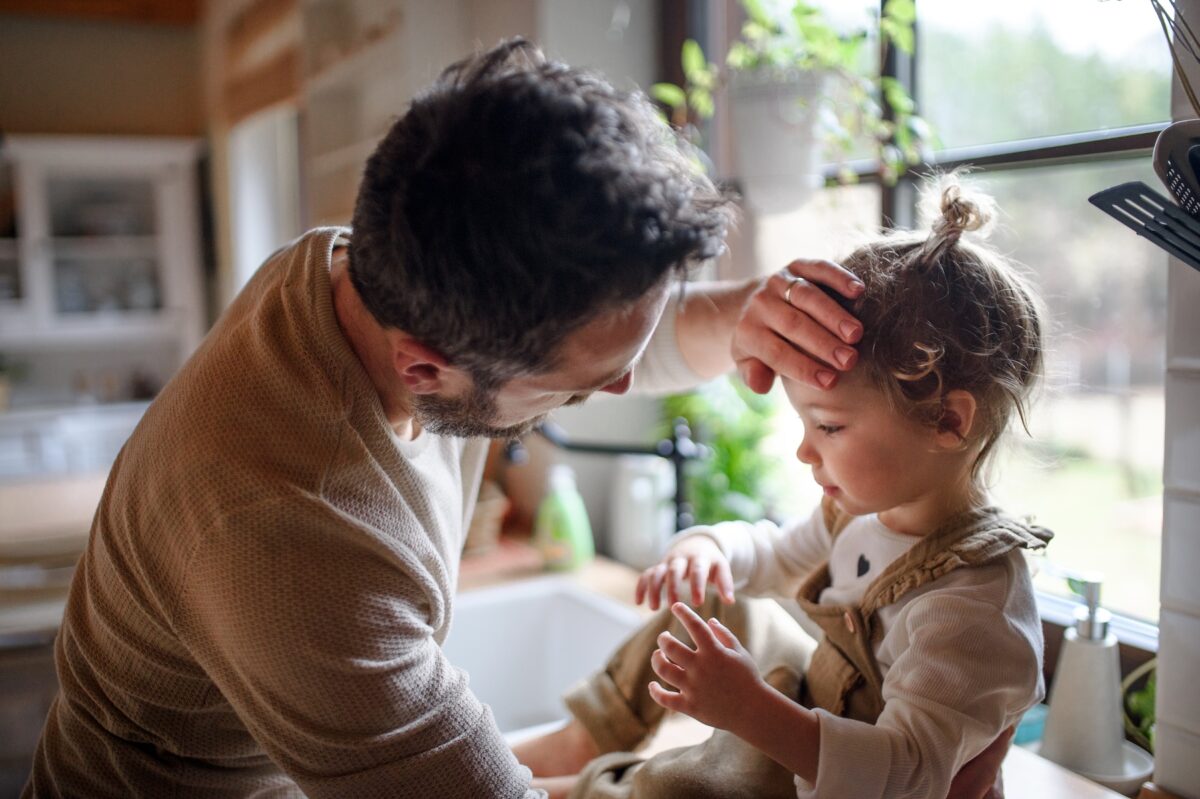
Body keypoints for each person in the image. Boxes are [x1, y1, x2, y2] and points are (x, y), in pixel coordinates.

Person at [22, 39, 868, 799]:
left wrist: (745, 313)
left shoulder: (371, 264)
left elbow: (587, 336)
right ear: (424, 365)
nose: (613, 390)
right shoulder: (299, 532)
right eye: (577, 392)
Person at [517, 176, 1051, 799]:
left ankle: (581, 790)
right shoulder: (863, 515)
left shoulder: (971, 610)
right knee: (719, 602)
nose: (804, 451)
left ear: (947, 421)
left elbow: (906, 775)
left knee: (686, 786)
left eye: (828, 426)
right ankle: (582, 739)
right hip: (816, 709)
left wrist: (748, 710)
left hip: (838, 782)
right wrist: (713, 548)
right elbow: (773, 557)